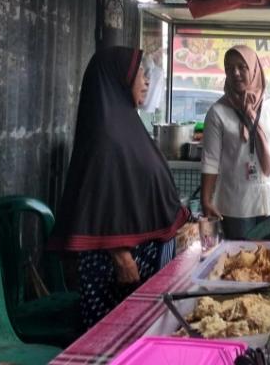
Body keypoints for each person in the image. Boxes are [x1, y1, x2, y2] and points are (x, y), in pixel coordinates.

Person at [48, 47, 189, 329]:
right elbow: (101, 198)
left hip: (142, 258)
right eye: (140, 74)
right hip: (118, 266)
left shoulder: (125, 122)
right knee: (113, 338)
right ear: (117, 79)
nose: (146, 82)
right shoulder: (106, 135)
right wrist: (120, 255)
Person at [201, 45, 270, 239]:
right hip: (237, 207)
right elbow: (210, 160)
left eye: (242, 67)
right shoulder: (218, 112)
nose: (235, 73)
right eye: (229, 68)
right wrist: (206, 200)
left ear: (254, 69)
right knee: (241, 262)